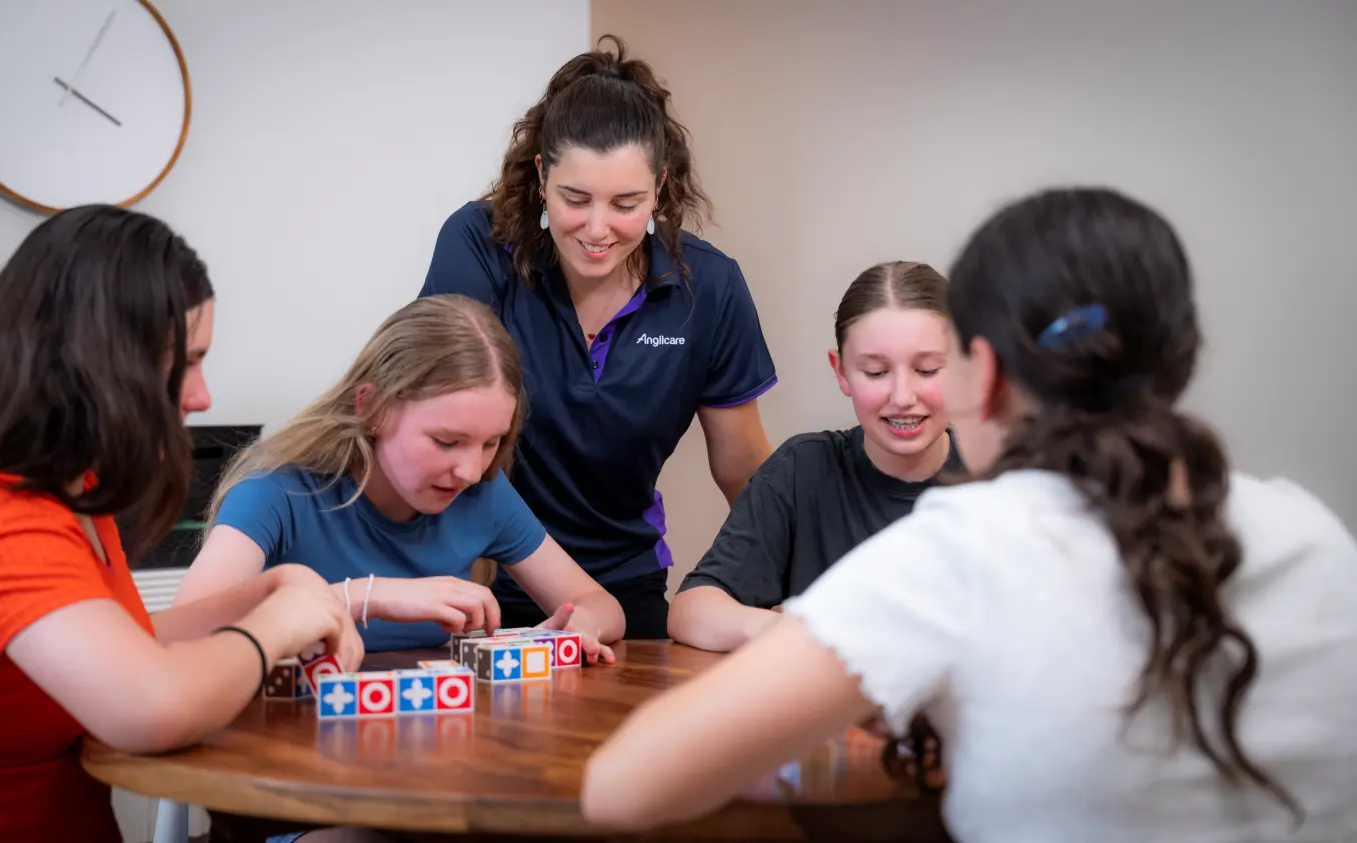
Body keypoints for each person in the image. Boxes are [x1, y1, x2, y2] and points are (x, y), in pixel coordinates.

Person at [580, 187, 1357, 841]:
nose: (907, 392)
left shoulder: (963, 551)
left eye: (931, 366)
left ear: (976, 371)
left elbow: (622, 786)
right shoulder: (1316, 535)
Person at [0, 206, 363, 842]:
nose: (201, 396)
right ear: (103, 362)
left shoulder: (75, 490)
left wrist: (268, 590)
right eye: (188, 362)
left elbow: (122, 643)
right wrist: (277, 623)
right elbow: (150, 705)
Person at [419, 35, 777, 639]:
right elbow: (446, 427)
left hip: (624, 588)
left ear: (660, 187)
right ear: (541, 176)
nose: (597, 228)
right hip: (481, 582)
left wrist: (796, 586)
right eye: (576, 198)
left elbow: (742, 467)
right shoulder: (479, 246)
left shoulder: (709, 288)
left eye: (625, 203)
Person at [174, 294, 625, 662]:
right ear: (371, 407)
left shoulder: (483, 493)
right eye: (446, 441)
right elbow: (184, 630)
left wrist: (580, 626)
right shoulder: (276, 488)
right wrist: (367, 596)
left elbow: (602, 606)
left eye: (491, 443)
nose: (470, 471)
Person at [669, 261, 965, 653]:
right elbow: (692, 609)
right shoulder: (802, 470)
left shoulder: (1003, 479)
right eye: (876, 372)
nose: (902, 396)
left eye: (927, 370)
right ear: (841, 372)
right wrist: (794, 633)